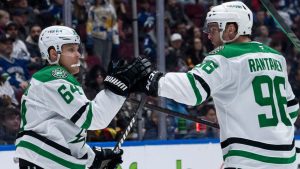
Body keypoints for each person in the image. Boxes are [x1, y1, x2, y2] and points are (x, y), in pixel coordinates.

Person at [130, 1, 299, 168]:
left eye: (213, 29)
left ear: (231, 29)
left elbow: (192, 90)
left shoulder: (225, 56)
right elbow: (291, 109)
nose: (209, 35)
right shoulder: (277, 57)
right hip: (287, 159)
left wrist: (150, 79)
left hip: (249, 161)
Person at [14, 25, 151, 169]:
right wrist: (118, 87)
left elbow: (67, 130)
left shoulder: (56, 80)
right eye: (71, 50)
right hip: (41, 161)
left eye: (77, 49)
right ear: (53, 54)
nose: (78, 54)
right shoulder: (52, 78)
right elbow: (93, 117)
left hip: (47, 161)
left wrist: (92, 159)